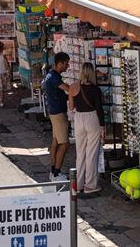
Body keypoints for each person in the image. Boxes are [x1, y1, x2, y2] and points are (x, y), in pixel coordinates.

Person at [69, 62, 106, 195]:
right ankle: (90, 185)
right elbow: (99, 109)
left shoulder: (73, 87)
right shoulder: (96, 89)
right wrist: (103, 126)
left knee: (80, 153)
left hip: (79, 118)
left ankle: (78, 184)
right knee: (91, 153)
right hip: (92, 118)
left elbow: (71, 107)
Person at [43, 52, 72, 181]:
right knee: (64, 144)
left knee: (55, 142)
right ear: (59, 63)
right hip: (58, 114)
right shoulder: (54, 78)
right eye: (66, 64)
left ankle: (53, 170)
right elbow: (68, 89)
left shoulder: (51, 75)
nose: (67, 66)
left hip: (54, 112)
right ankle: (56, 173)